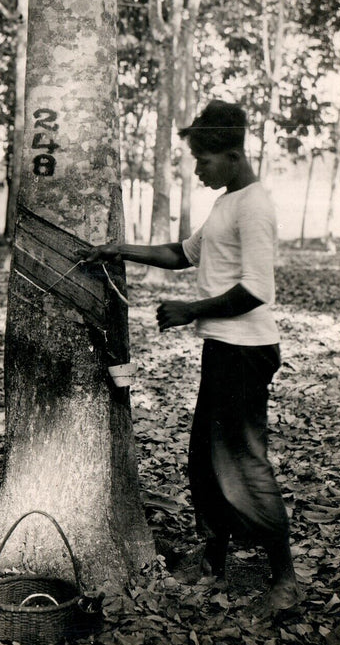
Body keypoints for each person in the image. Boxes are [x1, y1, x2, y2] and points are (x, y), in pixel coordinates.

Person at [86, 100, 299, 614]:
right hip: (223, 349)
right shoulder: (228, 202)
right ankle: (213, 557)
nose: (198, 168)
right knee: (204, 461)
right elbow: (183, 253)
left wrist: (189, 310)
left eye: (203, 158)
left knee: (243, 463)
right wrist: (121, 250)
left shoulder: (254, 206)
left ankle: (285, 578)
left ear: (232, 154)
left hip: (246, 352)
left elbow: (256, 289)